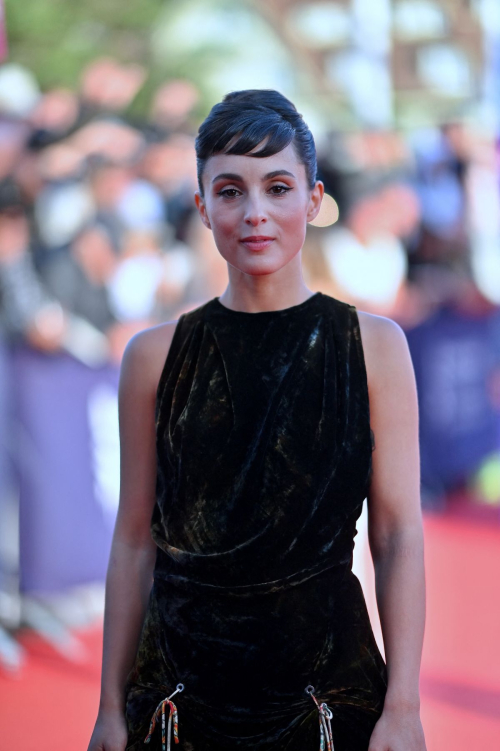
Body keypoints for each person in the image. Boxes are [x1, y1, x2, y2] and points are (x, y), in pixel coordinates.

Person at [87, 90, 427, 751]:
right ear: (202, 207)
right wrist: (107, 705)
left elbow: (398, 533)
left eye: (277, 187)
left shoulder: (374, 346)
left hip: (325, 695)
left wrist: (405, 705)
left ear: (314, 199)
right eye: (230, 191)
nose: (255, 213)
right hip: (179, 700)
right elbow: (133, 541)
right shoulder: (153, 357)